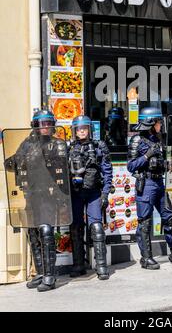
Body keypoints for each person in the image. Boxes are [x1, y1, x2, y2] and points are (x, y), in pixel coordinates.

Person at [4, 109, 70, 292]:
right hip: (31, 194)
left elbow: (62, 168)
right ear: (36, 125)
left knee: (46, 230)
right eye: (42, 124)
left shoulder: (58, 144)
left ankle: (50, 275)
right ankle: (40, 272)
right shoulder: (27, 143)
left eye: (49, 123)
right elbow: (15, 162)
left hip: (48, 195)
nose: (46, 127)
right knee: (33, 232)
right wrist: (15, 162)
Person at [127, 106, 172, 270]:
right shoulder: (137, 140)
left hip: (159, 183)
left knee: (170, 218)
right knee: (145, 223)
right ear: (151, 123)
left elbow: (158, 161)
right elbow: (131, 166)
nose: (161, 125)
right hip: (145, 185)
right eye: (159, 122)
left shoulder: (157, 140)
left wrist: (163, 164)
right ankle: (146, 258)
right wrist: (147, 156)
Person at [68, 115, 113, 280]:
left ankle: (101, 266)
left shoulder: (99, 146)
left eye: (84, 128)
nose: (81, 131)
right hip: (75, 193)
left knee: (96, 227)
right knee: (75, 227)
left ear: (89, 130)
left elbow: (107, 172)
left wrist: (105, 193)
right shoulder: (69, 148)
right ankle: (79, 264)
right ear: (74, 131)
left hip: (94, 192)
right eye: (79, 129)